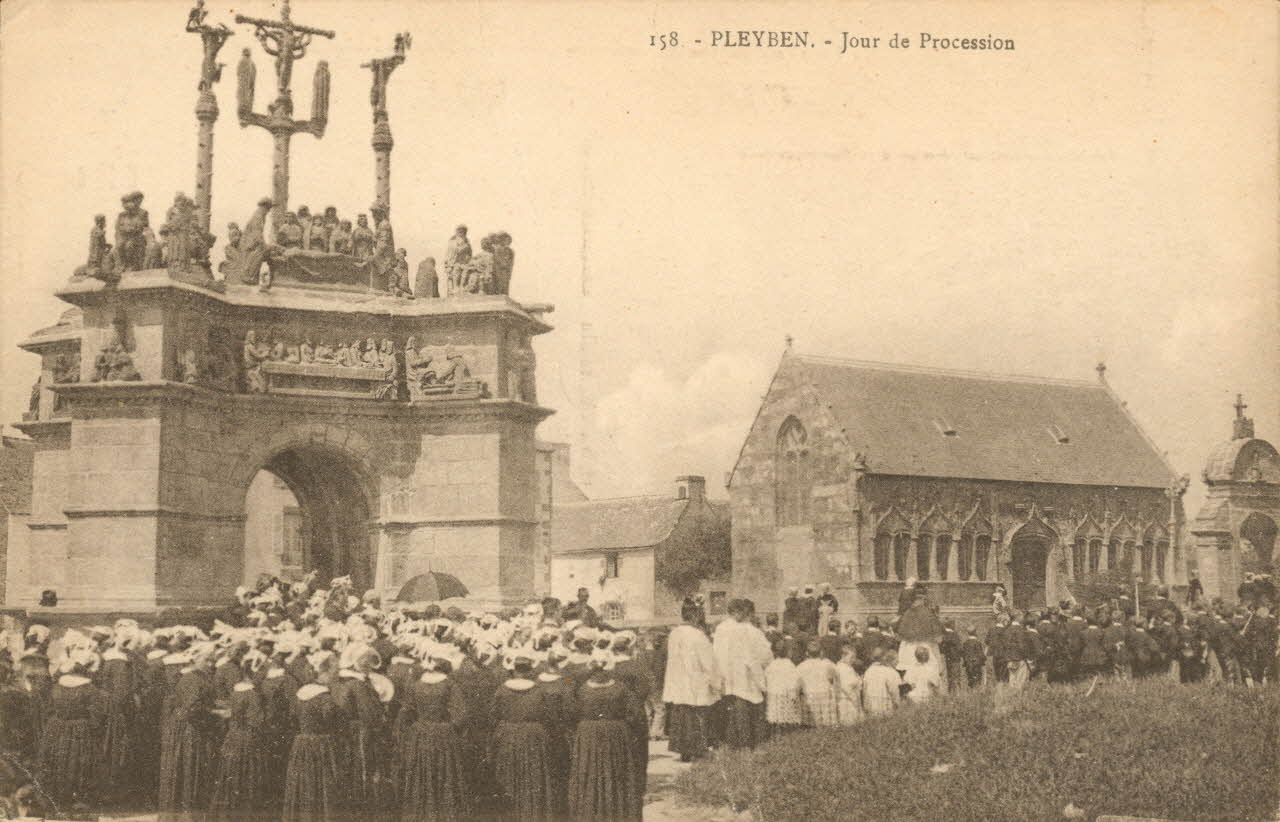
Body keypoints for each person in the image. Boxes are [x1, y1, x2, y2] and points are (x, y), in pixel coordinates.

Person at [567, 652, 644, 821]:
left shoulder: (582, 689)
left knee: (589, 771)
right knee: (615, 772)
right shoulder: (621, 688)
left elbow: (571, 713)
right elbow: (635, 714)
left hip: (588, 735)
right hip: (616, 734)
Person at [397, 646, 471, 822]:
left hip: (420, 734)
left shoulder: (416, 685)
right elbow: (461, 715)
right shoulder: (450, 685)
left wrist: (414, 729)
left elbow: (406, 712)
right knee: (445, 774)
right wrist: (450, 729)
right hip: (443, 735)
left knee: (420, 774)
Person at [491, 650, 556, 822]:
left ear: (514, 669)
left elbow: (494, 713)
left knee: (509, 775)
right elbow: (548, 716)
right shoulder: (539, 691)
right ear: (529, 670)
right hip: (533, 737)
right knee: (533, 776)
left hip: (508, 736)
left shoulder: (502, 690)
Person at [39, 644, 106, 810]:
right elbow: (97, 717)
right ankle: (79, 799)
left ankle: (57, 798)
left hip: (56, 728)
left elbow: (49, 710)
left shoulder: (57, 687)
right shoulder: (90, 689)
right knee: (79, 763)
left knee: (57, 761)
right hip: (81, 730)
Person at [282, 651, 345, 822]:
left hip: (301, 743)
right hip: (321, 745)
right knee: (322, 783)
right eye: (334, 670)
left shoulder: (301, 693)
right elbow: (334, 723)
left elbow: (293, 717)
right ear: (325, 672)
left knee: (304, 784)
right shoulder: (325, 698)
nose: (337, 674)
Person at [209, 651, 269, 820]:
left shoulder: (236, 692)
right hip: (248, 739)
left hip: (232, 737)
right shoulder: (253, 695)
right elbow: (257, 721)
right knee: (248, 774)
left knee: (231, 774)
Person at [662, 602, 718, 762]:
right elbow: (708, 661)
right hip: (695, 679)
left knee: (681, 714)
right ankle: (698, 749)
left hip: (678, 680)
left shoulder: (674, 633)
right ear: (694, 616)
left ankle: (683, 750)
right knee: (696, 715)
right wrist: (716, 681)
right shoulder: (698, 635)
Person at [712, 599, 772, 749]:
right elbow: (764, 656)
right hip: (745, 675)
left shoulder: (720, 628)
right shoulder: (749, 630)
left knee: (731, 712)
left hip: (725, 674)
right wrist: (761, 679)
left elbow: (716, 653)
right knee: (748, 711)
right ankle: (749, 743)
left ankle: (731, 743)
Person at [763, 640, 802, 735]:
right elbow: (795, 681)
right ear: (789, 652)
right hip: (786, 694)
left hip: (773, 694)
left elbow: (766, 679)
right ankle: (787, 734)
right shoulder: (790, 665)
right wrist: (794, 694)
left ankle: (776, 734)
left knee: (774, 718)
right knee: (786, 718)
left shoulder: (771, 665)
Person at [861, 648, 901, 716]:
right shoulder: (888, 671)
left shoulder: (868, 671)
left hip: (870, 706)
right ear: (884, 657)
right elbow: (895, 691)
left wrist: (865, 706)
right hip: (885, 706)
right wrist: (897, 704)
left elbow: (864, 690)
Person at [833, 642, 863, 725]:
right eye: (851, 657)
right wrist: (854, 699)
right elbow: (846, 687)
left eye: (855, 657)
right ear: (843, 656)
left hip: (851, 697)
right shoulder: (842, 669)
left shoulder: (847, 667)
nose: (853, 660)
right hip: (847, 699)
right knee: (849, 721)